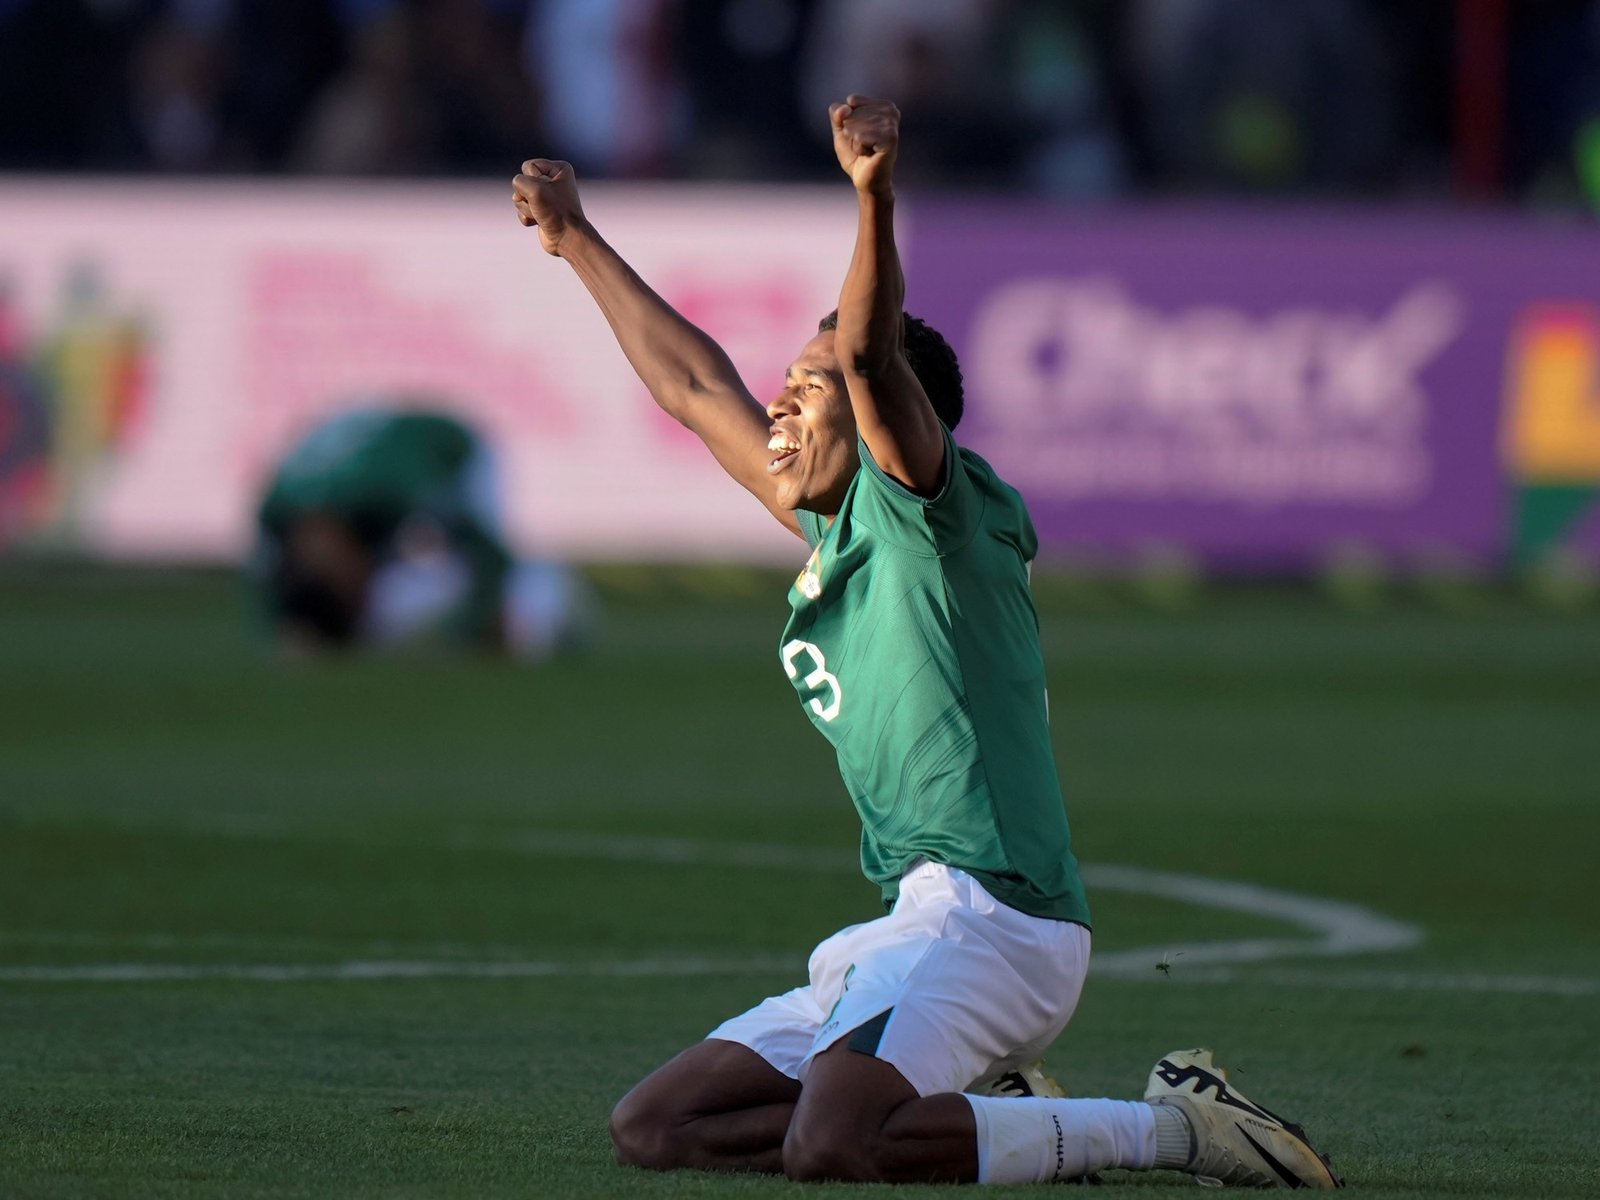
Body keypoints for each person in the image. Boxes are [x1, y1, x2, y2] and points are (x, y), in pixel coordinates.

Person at [512, 98, 1342, 1188]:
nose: (779, 405)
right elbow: (694, 385)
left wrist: (875, 196)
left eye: (808, 389)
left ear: (881, 420)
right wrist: (575, 239)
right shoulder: (840, 525)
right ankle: (991, 1111)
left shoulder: (931, 511)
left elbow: (868, 353)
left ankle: (1174, 1128)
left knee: (832, 1144)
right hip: (911, 925)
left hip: (999, 923)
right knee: (656, 1130)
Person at [251, 403, 592, 659]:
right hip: (369, 449)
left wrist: (472, 627)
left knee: (485, 600)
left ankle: (552, 592)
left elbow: (485, 551)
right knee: (384, 613)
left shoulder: (396, 489)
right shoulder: (275, 514)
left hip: (454, 450)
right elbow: (275, 595)